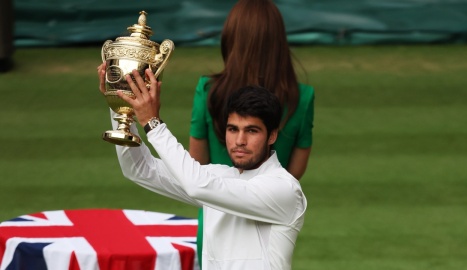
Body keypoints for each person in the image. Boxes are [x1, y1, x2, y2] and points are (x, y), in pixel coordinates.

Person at [98, 67, 307, 269]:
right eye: (233, 129)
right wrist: (121, 103)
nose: (240, 140)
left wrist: (153, 125)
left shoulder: (284, 189)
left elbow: (197, 185)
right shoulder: (219, 178)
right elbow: (139, 168)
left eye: (252, 131)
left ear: (272, 136)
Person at [188, 0, 315, 265]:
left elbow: (196, 165)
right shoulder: (301, 98)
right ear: (279, 42)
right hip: (268, 220)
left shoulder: (208, 89)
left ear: (231, 39)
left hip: (215, 220)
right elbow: (294, 172)